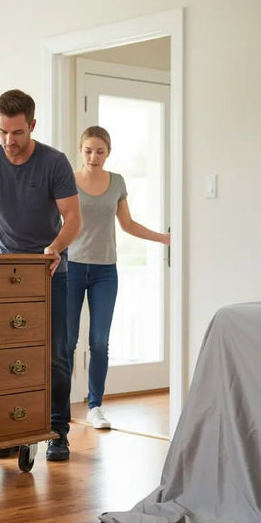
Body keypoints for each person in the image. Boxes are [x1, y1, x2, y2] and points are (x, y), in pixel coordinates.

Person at [0, 89, 81, 461]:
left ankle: (58, 430)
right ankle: (8, 430)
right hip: (3, 272)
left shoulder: (54, 163)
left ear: (33, 126)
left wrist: (55, 247)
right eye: (3, 133)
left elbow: (73, 218)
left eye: (18, 133)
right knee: (3, 354)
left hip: (49, 269)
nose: (10, 141)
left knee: (56, 352)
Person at [67, 126, 171, 430]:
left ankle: (95, 405)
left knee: (99, 341)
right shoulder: (69, 181)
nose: (93, 156)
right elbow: (56, 221)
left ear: (108, 152)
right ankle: (57, 408)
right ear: (80, 149)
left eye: (100, 151)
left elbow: (127, 224)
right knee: (67, 342)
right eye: (88, 150)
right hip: (71, 267)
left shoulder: (117, 183)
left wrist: (164, 239)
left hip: (104, 271)